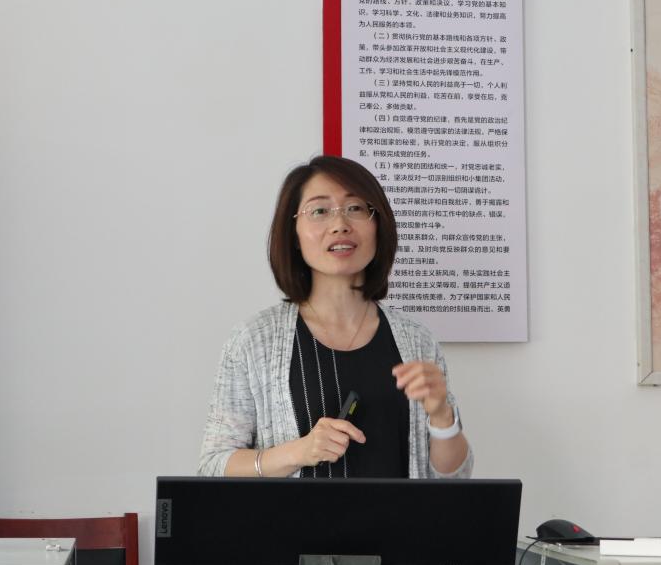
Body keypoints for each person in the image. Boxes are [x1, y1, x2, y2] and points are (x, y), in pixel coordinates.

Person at [198, 155, 472, 479]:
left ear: (378, 225)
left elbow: (455, 477)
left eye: (355, 208)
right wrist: (297, 452)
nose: (340, 223)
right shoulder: (254, 340)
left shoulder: (417, 340)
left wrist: (442, 415)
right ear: (294, 233)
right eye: (319, 211)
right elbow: (213, 466)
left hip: (398, 516)